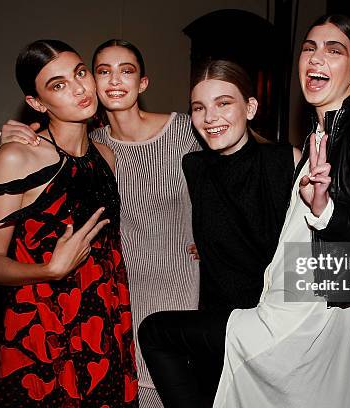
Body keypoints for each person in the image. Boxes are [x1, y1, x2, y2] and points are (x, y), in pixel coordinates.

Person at [211, 14, 350, 407]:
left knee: (162, 335)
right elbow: (293, 235)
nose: (316, 57)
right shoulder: (315, 137)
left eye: (334, 51)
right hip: (284, 307)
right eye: (309, 48)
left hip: (318, 317)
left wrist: (328, 212)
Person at [0, 39, 200, 407]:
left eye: (127, 71)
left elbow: (237, 169)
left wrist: (214, 236)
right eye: (103, 70)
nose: (113, 81)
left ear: (144, 83)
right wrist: (6, 139)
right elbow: (42, 169)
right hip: (112, 303)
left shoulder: (187, 131)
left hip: (177, 290)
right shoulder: (97, 147)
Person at [0, 40, 138, 406]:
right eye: (57, 85)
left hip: (105, 323)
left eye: (80, 73)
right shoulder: (17, 156)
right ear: (37, 103)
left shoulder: (106, 154)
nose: (79, 89)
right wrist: (49, 268)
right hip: (44, 328)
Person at [138, 60, 300, 408]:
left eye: (224, 103)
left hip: (275, 322)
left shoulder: (285, 161)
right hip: (219, 327)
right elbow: (125, 142)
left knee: (154, 333)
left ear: (250, 108)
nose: (210, 116)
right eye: (200, 107)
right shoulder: (193, 167)